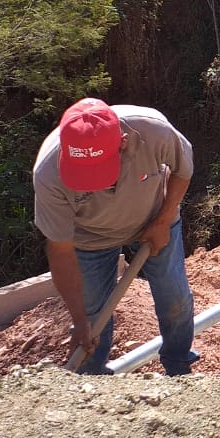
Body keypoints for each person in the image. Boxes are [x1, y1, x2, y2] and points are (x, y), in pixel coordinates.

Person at [32, 98, 199, 375]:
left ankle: (179, 368)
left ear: (123, 142)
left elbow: (184, 168)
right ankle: (93, 384)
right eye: (84, 178)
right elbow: (60, 251)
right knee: (94, 316)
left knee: (174, 298)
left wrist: (164, 219)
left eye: (99, 173)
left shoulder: (153, 131)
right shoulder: (49, 174)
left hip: (154, 218)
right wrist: (80, 319)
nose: (95, 186)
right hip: (90, 238)